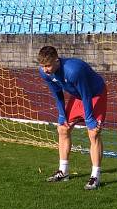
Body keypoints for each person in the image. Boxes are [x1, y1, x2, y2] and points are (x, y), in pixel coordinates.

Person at [37, 46, 107, 190]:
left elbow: (86, 94)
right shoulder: (45, 73)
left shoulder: (73, 70)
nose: (45, 69)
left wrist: (90, 119)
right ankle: (63, 171)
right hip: (78, 97)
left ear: (57, 60)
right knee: (62, 129)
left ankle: (95, 176)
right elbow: (57, 93)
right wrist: (62, 115)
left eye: (48, 65)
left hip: (95, 95)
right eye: (43, 66)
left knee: (93, 133)